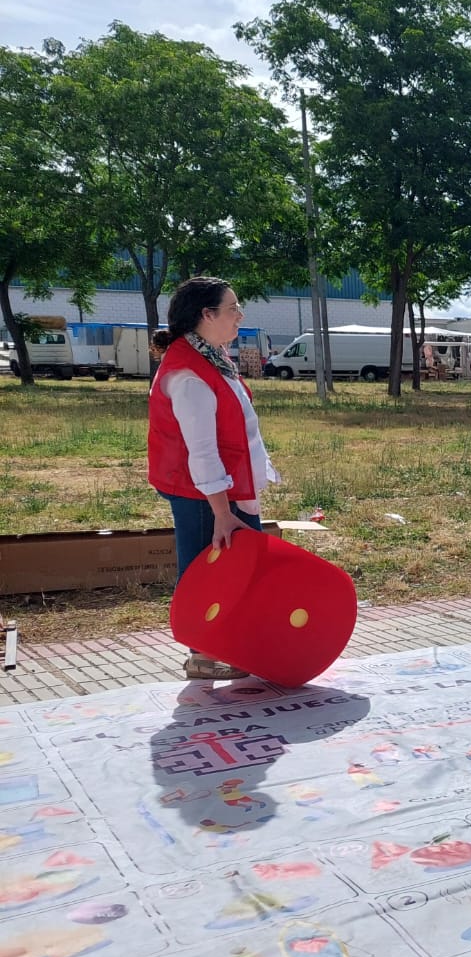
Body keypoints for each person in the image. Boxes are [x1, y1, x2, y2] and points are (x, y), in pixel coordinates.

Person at [147, 276, 280, 680]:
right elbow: (201, 451)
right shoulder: (188, 374)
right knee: (207, 573)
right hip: (203, 494)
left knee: (234, 570)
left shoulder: (210, 357)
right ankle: (204, 655)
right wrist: (222, 512)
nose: (240, 315)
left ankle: (231, 646)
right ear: (206, 315)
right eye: (232, 308)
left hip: (226, 487)